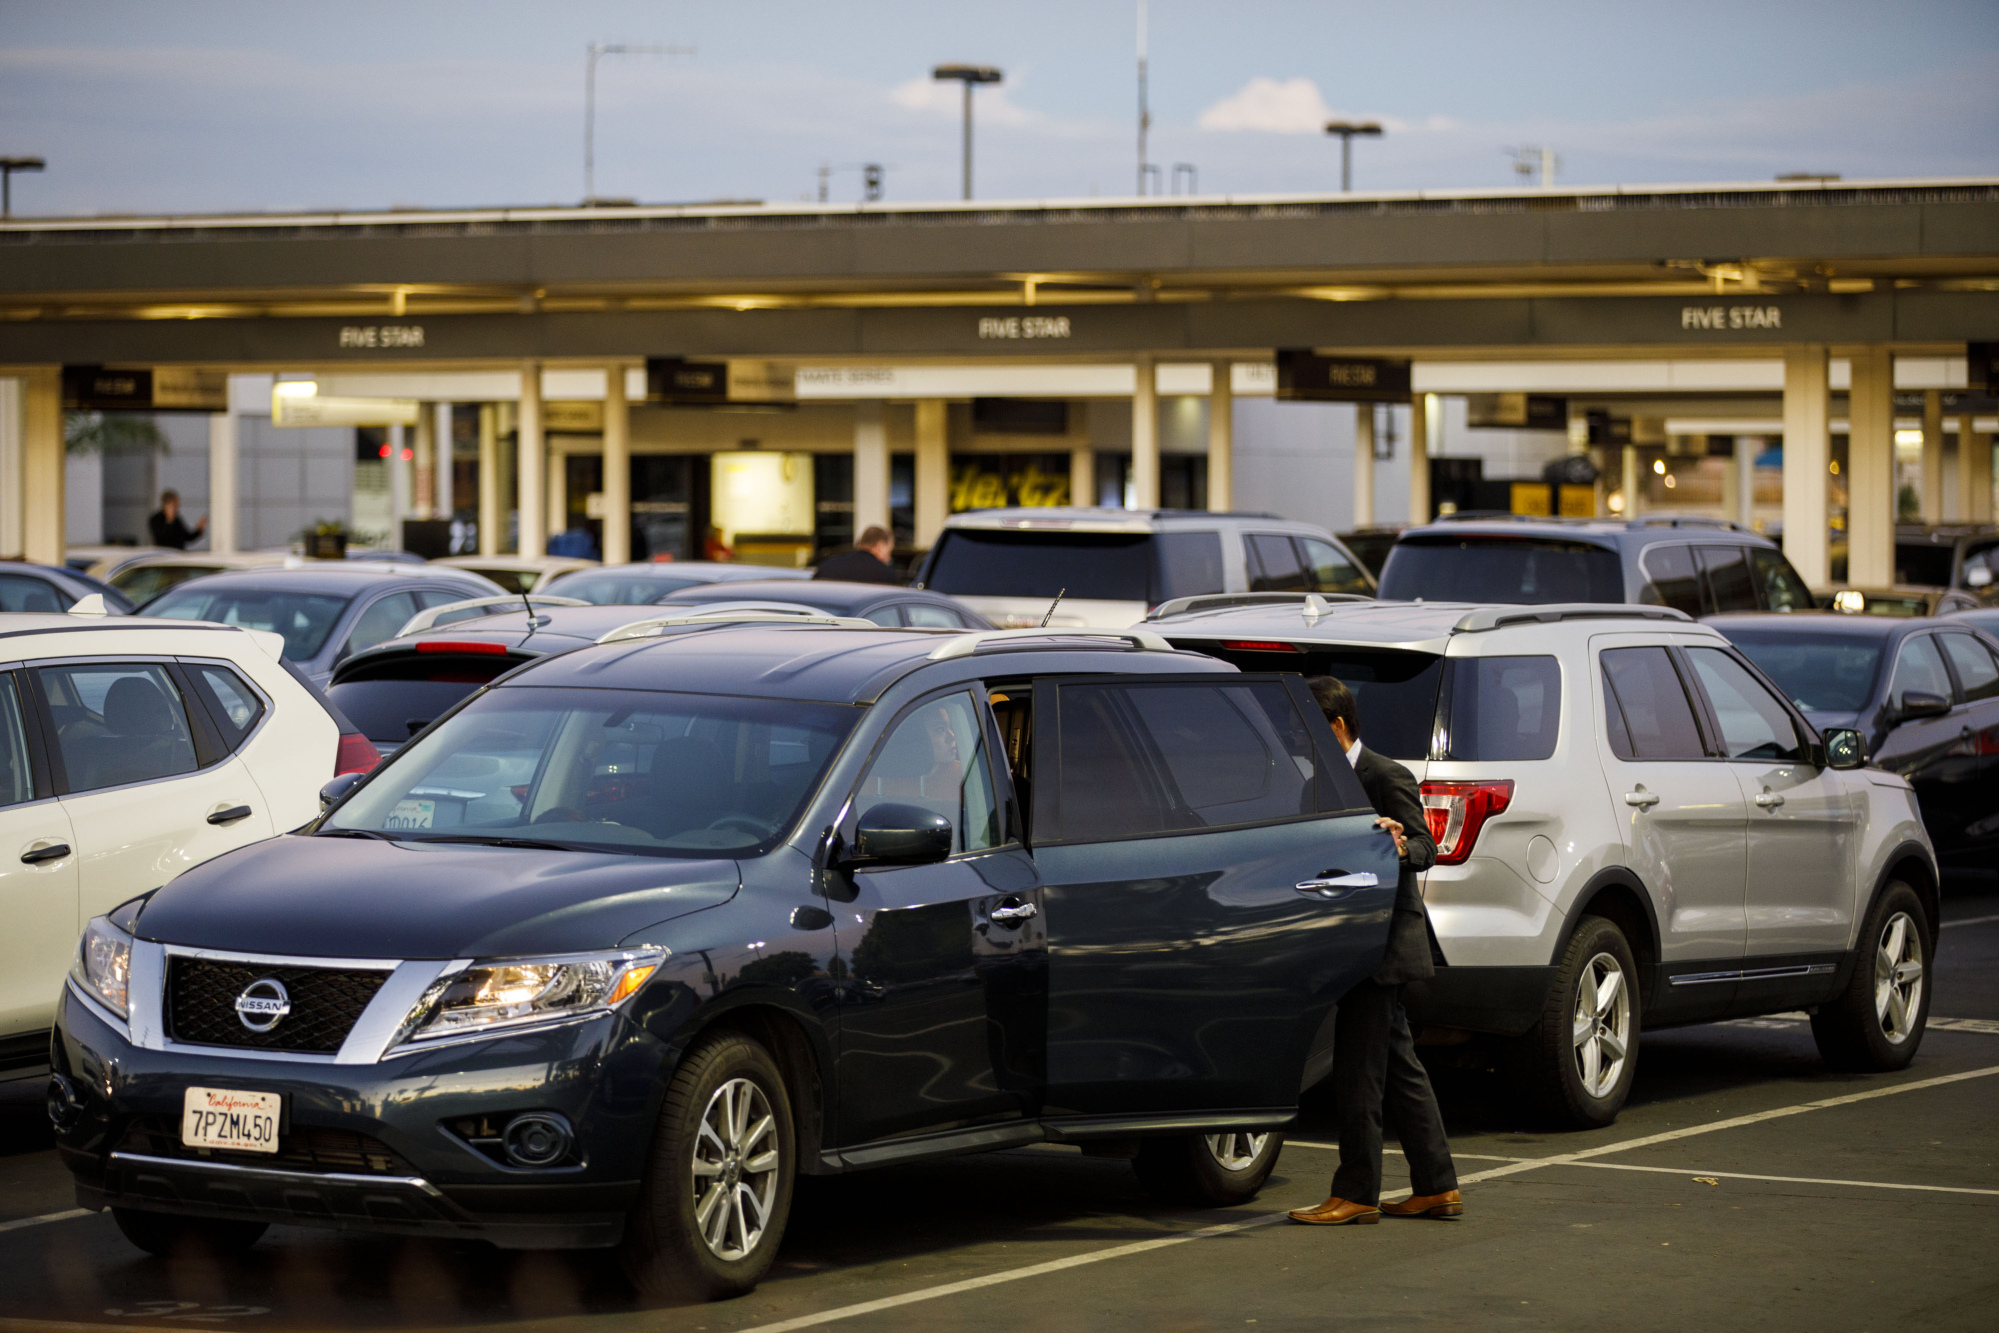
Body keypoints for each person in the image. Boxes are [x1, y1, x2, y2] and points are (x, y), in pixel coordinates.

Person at [1289, 675, 1462, 1227]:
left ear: (1338, 726)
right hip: (1346, 941)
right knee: (1400, 1068)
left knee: (1359, 1071)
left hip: (1384, 943)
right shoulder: (1315, 784)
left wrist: (1396, 842)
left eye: (1312, 734)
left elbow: (1426, 847)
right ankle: (1437, 1186)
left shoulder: (1386, 774)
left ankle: (1358, 1191)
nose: (1304, 747)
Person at [813, 525, 899, 584]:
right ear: (880, 546)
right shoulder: (886, 575)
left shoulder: (828, 566)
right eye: (889, 551)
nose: (889, 558)